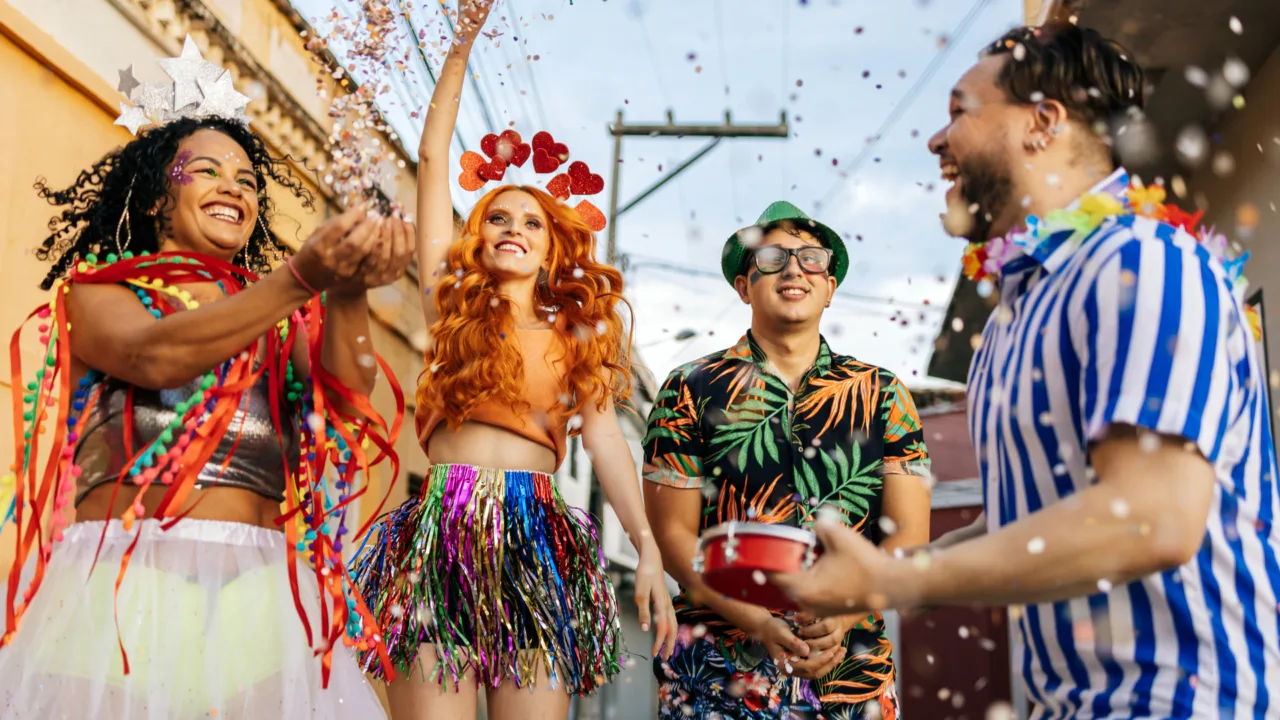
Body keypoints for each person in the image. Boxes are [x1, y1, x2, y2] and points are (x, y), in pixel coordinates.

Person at [774, 23, 1280, 719]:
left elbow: (1154, 520)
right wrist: (883, 576)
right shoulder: (1019, 313)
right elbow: (1025, 521)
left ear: (1044, 121)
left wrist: (899, 578)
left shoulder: (1144, 263)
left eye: (959, 111)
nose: (936, 141)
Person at [0, 40, 414, 719]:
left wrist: (348, 292)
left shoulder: (282, 310)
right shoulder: (98, 295)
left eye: (249, 180)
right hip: (115, 590)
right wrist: (302, 278)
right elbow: (156, 358)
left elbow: (346, 395)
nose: (234, 187)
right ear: (159, 196)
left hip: (260, 597)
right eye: (208, 170)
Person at [347, 3, 675, 719]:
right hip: (438, 535)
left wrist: (647, 545)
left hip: (535, 543)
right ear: (478, 233)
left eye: (531, 221)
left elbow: (610, 442)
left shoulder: (580, 336)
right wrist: (462, 45)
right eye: (499, 216)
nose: (514, 229)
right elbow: (434, 162)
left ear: (554, 248)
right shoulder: (451, 305)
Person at [642, 200, 933, 719]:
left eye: (812, 258)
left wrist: (845, 615)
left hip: (852, 673)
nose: (795, 268)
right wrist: (758, 622)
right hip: (717, 674)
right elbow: (673, 538)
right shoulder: (688, 389)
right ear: (742, 284)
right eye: (773, 257)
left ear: (830, 287)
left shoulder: (884, 393)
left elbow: (909, 536)